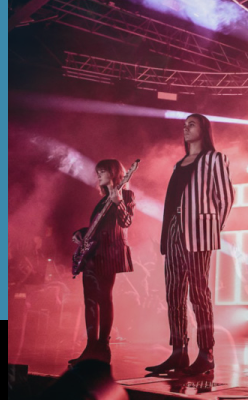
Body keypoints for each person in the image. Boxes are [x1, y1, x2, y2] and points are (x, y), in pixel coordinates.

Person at [145, 114, 234, 376]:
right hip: (174, 229)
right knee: (173, 292)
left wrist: (210, 228)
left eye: (191, 124)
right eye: (184, 125)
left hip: (198, 231)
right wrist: (167, 232)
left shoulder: (214, 159)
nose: (185, 128)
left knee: (198, 292)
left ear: (204, 129)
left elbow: (226, 198)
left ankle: (206, 354)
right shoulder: (179, 163)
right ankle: (178, 351)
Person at [69, 159, 135, 365]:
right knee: (89, 299)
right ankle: (91, 347)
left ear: (114, 173)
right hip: (92, 254)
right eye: (98, 171)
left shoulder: (126, 195)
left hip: (109, 253)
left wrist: (119, 203)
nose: (98, 174)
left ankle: (103, 348)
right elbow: (95, 228)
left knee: (104, 298)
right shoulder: (101, 200)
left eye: (103, 171)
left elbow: (127, 222)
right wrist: (80, 233)